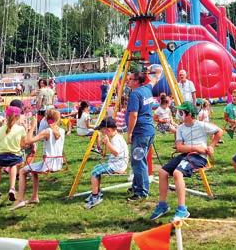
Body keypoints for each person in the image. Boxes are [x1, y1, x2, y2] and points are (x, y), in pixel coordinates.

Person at [150, 101, 223, 221]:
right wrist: (195, 148)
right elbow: (179, 147)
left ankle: (182, 209)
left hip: (199, 157)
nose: (178, 114)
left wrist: (211, 146)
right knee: (162, 172)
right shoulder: (180, 128)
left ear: (189, 114)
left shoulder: (201, 125)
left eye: (181, 112)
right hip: (186, 154)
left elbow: (219, 131)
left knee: (177, 173)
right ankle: (162, 205)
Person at [11, 109, 65, 210]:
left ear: (47, 119)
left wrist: (32, 127)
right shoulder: (62, 131)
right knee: (33, 171)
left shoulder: (47, 132)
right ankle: (34, 197)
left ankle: (20, 200)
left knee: (22, 171)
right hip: (58, 162)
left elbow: (28, 141)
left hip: (48, 164)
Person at [126, 67, 162, 201]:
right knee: (140, 160)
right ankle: (137, 185)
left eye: (130, 80)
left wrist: (129, 133)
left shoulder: (135, 94)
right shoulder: (147, 88)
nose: (128, 82)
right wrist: (151, 69)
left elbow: (133, 115)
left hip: (140, 132)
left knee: (138, 161)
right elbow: (158, 75)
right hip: (149, 131)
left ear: (136, 82)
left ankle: (141, 192)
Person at [84, 117, 129, 209]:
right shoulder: (116, 137)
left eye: (102, 131)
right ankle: (97, 191)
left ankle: (95, 197)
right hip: (117, 163)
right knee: (96, 168)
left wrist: (107, 143)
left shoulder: (116, 139)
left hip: (118, 165)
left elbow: (116, 152)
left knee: (94, 172)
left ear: (108, 130)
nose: (101, 133)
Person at [0, 105, 27, 201]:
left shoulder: (0, 129)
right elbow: (23, 145)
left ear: (6, 116)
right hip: (14, 156)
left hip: (0, 156)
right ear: (18, 117)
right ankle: (12, 188)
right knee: (13, 165)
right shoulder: (21, 129)